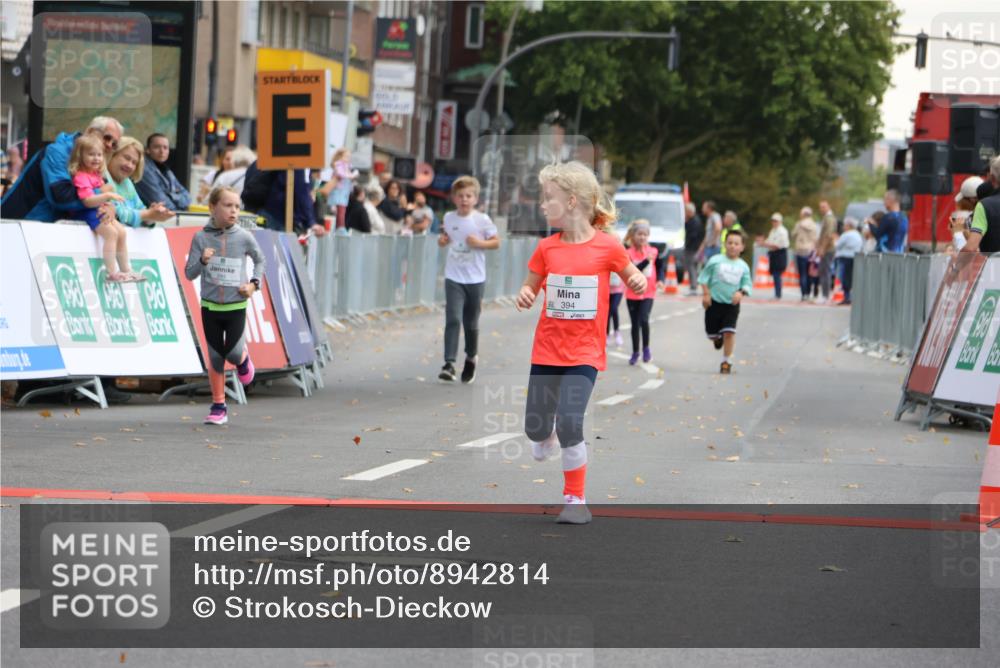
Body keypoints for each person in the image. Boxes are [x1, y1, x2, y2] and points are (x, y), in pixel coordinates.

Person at [515, 162, 646, 524]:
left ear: (571, 202)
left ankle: (575, 500)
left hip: (585, 353)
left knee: (570, 422)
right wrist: (526, 294)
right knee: (536, 429)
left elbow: (632, 274)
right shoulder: (546, 248)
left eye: (548, 198)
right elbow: (531, 284)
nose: (542, 205)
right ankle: (545, 437)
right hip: (547, 350)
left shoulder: (607, 247)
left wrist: (635, 282)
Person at [184, 187, 264, 426]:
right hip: (209, 305)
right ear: (212, 208)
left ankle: (243, 360)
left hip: (235, 304)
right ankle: (219, 406)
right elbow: (189, 274)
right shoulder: (200, 238)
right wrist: (202, 260)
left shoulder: (244, 237)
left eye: (237, 207)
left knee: (234, 353)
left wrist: (253, 284)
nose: (234, 211)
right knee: (216, 358)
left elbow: (260, 259)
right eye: (228, 205)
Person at [1, 116, 122, 223]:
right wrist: (102, 194)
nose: (109, 145)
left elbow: (108, 193)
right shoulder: (57, 152)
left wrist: (110, 207)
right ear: (90, 131)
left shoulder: (96, 162)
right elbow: (61, 198)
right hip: (17, 225)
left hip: (51, 231)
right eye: (107, 138)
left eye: (114, 144)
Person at [437, 176, 500, 384]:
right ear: (454, 198)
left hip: (475, 278)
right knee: (453, 318)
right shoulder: (448, 218)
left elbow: (496, 243)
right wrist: (443, 241)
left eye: (468, 196)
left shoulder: (482, 220)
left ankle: (471, 357)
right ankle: (449, 363)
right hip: (453, 276)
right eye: (460, 196)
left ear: (475, 198)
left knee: (470, 322)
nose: (464, 199)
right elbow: (445, 238)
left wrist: (479, 243)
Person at [69, 134, 149, 284]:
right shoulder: (81, 176)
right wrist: (107, 196)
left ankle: (126, 270)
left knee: (122, 232)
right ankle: (112, 272)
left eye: (99, 155)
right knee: (112, 234)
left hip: (99, 210)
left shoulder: (96, 175)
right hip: (88, 213)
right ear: (80, 156)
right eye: (91, 154)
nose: (96, 158)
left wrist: (107, 199)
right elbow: (87, 201)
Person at [698, 228, 752, 374]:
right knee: (712, 334)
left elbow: (747, 284)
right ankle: (717, 338)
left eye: (736, 243)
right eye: (730, 243)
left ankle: (726, 361)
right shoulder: (715, 261)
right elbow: (703, 278)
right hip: (714, 303)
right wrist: (706, 294)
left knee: (729, 332)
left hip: (731, 305)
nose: (733, 246)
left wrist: (741, 292)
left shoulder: (743, 266)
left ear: (742, 247)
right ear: (724, 244)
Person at [105, 136, 175, 229]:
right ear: (113, 154)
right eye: (126, 158)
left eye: (134, 162)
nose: (129, 165)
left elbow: (141, 210)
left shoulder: (127, 182)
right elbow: (116, 213)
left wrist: (152, 216)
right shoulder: (102, 177)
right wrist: (146, 214)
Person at [623, 219, 658, 365]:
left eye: (645, 234)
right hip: (632, 293)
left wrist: (661, 279)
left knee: (644, 319)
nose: (642, 237)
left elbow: (660, 266)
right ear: (633, 235)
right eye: (639, 234)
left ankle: (646, 349)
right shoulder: (627, 253)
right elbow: (635, 270)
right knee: (635, 323)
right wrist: (646, 261)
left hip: (649, 292)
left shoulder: (653, 251)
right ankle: (635, 351)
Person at [259, 169, 327, 238]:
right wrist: (311, 222)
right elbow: (302, 193)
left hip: (271, 211)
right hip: (279, 218)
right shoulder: (301, 165)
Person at [135, 133, 191, 212]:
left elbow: (187, 197)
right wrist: (176, 197)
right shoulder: (144, 169)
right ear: (147, 150)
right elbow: (163, 204)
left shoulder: (166, 170)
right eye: (157, 147)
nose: (162, 151)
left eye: (165, 148)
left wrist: (170, 195)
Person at [964, 156, 1000, 254]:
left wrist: (956, 268)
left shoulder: (985, 205)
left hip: (993, 267)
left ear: (992, 178)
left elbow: (971, 248)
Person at [319, 148, 359, 231]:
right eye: (346, 156)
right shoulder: (338, 165)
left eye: (349, 157)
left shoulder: (348, 167)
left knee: (342, 212)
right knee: (338, 212)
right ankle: (340, 228)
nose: (348, 159)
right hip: (337, 192)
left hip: (344, 193)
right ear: (340, 156)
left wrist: (353, 175)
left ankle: (339, 228)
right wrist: (352, 175)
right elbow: (341, 175)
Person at [758, 212, 789, 299]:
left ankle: (778, 294)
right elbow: (769, 241)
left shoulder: (782, 231)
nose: (774, 223)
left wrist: (764, 244)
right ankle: (777, 293)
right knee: (775, 273)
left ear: (780, 221)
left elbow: (777, 245)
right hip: (773, 254)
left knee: (777, 273)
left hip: (780, 253)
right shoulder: (773, 230)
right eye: (773, 221)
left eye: (776, 221)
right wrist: (763, 243)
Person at [791, 206, 819, 301]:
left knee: (802, 273)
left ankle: (804, 294)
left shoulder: (799, 224)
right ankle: (809, 292)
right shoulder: (814, 225)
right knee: (810, 273)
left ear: (803, 214)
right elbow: (816, 238)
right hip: (810, 250)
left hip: (800, 250)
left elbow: (793, 234)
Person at [834, 218, 863, 305]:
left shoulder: (846, 235)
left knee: (844, 278)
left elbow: (838, 245)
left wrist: (835, 240)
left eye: (845, 225)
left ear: (849, 226)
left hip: (845, 257)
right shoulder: (858, 235)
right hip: (855, 257)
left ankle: (847, 297)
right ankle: (850, 296)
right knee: (851, 277)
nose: (843, 227)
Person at [816, 200, 838, 303]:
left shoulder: (829, 218)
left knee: (825, 271)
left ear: (828, 206)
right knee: (823, 271)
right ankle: (825, 294)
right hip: (826, 248)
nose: (822, 209)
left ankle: (826, 295)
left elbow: (828, 235)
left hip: (828, 249)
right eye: (821, 207)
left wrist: (822, 249)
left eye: (824, 207)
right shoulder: (827, 218)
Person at [876, 189, 908, 253]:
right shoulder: (905, 218)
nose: (884, 202)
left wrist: (870, 223)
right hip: (899, 254)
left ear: (891, 200)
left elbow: (878, 234)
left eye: (885, 199)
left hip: (885, 255)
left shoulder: (888, 217)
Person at [682, 202, 704, 295]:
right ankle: (693, 285)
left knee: (691, 266)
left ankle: (694, 286)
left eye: (686, 211)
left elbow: (693, 236)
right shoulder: (693, 220)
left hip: (692, 247)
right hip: (693, 247)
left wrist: (687, 244)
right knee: (691, 266)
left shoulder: (695, 221)